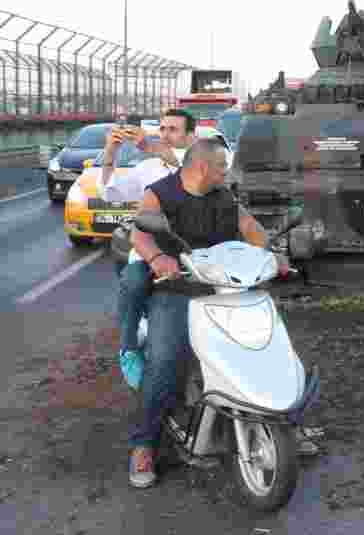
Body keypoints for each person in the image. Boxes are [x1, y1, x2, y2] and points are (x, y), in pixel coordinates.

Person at [125, 137, 292, 488]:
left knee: (260, 343)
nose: (226, 172)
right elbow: (141, 235)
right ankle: (143, 445)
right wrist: (158, 259)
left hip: (225, 288)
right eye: (221, 166)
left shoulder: (224, 196)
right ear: (202, 167)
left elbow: (250, 229)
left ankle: (282, 418)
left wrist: (271, 255)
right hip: (177, 288)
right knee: (166, 360)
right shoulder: (161, 193)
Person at [100, 109, 198, 392]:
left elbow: (182, 166)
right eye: (162, 128)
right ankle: (128, 348)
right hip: (151, 249)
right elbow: (110, 193)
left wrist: (147, 146)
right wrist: (110, 152)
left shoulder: (200, 163)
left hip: (196, 251)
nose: (165, 134)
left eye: (173, 130)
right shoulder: (148, 168)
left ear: (190, 135)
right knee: (131, 282)